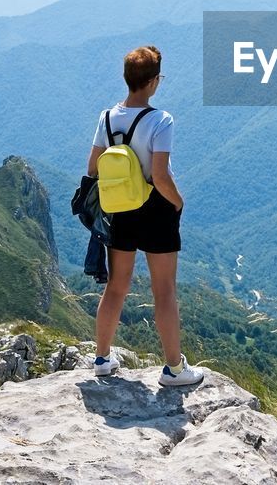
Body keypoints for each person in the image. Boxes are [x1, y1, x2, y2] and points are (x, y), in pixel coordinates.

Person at [86, 45, 203, 387]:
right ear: (153, 82)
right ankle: (174, 370)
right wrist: (178, 202)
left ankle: (103, 359)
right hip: (155, 209)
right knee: (163, 290)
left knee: (116, 286)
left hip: (119, 208)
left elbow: (93, 167)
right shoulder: (160, 120)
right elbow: (160, 175)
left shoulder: (106, 118)